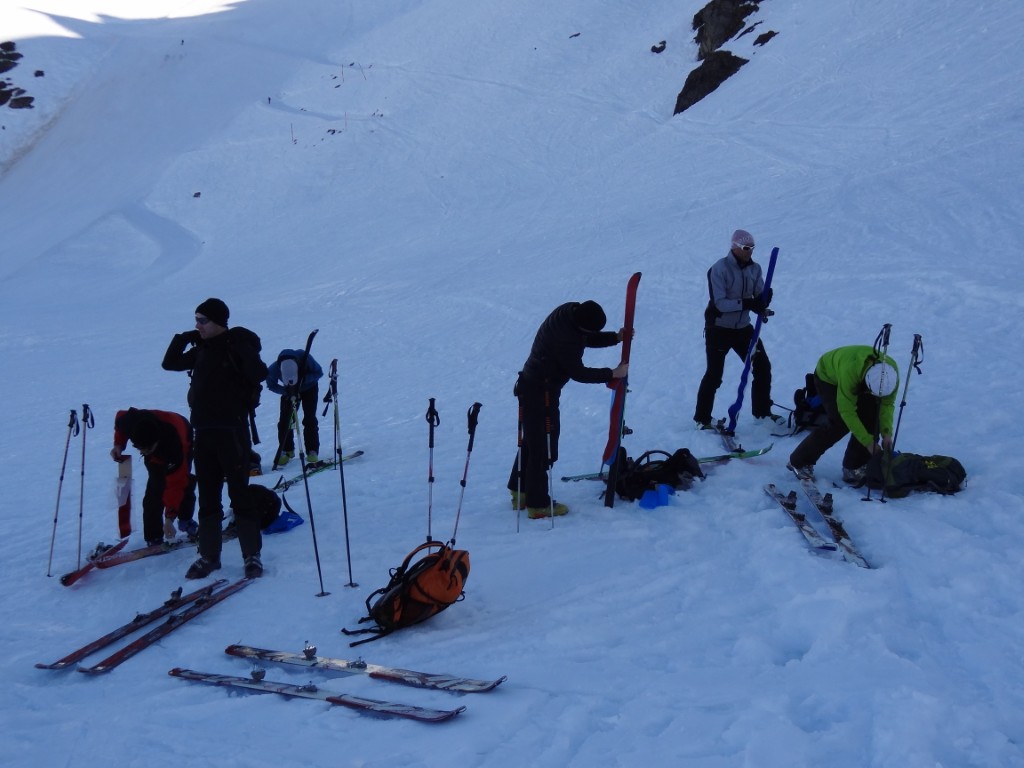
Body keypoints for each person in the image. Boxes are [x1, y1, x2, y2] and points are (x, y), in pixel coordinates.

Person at [161, 298, 268, 579]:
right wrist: (183, 338)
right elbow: (169, 363)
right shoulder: (201, 350)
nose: (197, 325)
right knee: (208, 498)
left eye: (202, 320)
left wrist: (241, 345)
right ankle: (209, 556)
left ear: (219, 321)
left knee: (240, 495)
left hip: (232, 432)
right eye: (196, 320)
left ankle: (252, 556)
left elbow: (260, 373)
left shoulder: (235, 346)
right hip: (204, 433)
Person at [507, 300, 629, 519]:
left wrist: (615, 338)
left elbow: (585, 337)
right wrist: (612, 373)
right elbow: (579, 372)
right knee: (543, 446)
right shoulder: (564, 337)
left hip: (532, 385)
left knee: (532, 442)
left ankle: (520, 491)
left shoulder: (570, 312)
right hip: (541, 391)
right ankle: (537, 505)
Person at [693, 229, 780, 429]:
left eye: (752, 248)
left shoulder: (755, 269)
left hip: (743, 328)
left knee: (762, 366)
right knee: (714, 375)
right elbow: (720, 303)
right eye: (746, 248)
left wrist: (764, 300)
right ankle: (702, 418)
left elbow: (758, 294)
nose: (750, 251)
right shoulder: (719, 269)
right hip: (719, 329)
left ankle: (762, 412)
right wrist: (749, 304)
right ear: (735, 247)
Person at [787, 345, 900, 484]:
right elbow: (847, 412)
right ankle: (799, 462)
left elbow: (887, 404)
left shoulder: (891, 377)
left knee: (872, 417)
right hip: (828, 376)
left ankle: (854, 466)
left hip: (858, 375)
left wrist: (887, 433)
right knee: (839, 422)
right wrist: (868, 442)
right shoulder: (850, 373)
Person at [111, 408, 197, 546]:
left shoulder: (174, 447)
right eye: (139, 448)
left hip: (183, 434)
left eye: (147, 449)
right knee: (155, 490)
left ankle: (185, 520)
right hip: (156, 439)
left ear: (156, 442)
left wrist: (169, 518)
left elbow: (176, 484)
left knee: (183, 483)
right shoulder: (130, 422)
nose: (143, 452)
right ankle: (153, 536)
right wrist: (118, 445)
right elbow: (120, 417)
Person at [266, 349, 324, 467]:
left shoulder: (305, 358)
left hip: (309, 388)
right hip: (289, 391)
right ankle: (287, 450)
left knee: (309, 418)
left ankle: (312, 450)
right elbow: (271, 384)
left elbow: (319, 372)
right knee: (285, 421)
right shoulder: (274, 369)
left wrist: (304, 380)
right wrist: (286, 391)